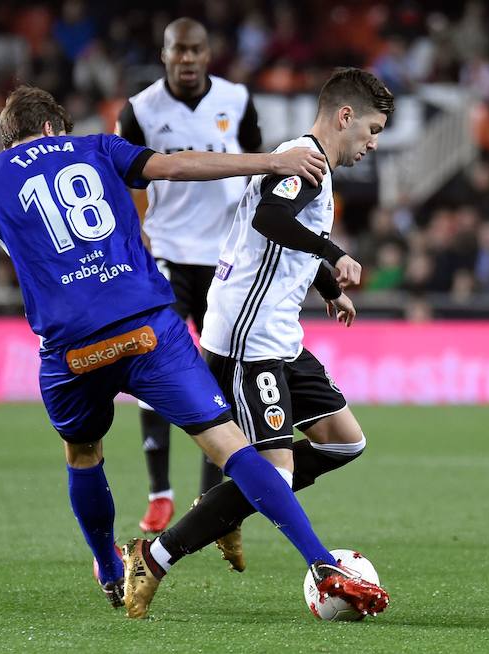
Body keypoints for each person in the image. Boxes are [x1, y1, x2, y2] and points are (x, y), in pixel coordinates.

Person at [0, 84, 387, 620]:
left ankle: (108, 567)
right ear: (55, 126)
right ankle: (321, 563)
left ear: (12, 137)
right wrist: (267, 162)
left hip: (74, 348)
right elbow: (174, 165)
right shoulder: (97, 148)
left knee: (83, 453)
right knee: (231, 449)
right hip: (146, 328)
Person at [122, 68, 395, 616]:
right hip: (249, 341)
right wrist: (336, 253)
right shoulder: (304, 161)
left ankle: (228, 505)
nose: (372, 144)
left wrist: (326, 286)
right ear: (345, 116)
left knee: (344, 442)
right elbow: (271, 218)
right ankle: (153, 556)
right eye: (372, 130)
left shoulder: (308, 162)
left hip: (278, 335)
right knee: (275, 475)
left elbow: (281, 239)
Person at [116, 17, 263, 534]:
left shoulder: (237, 100)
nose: (187, 59)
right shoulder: (139, 110)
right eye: (178, 50)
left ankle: (209, 497)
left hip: (225, 256)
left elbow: (256, 168)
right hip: (168, 252)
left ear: (208, 54)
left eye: (195, 50)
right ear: (164, 54)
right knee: (154, 358)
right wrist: (135, 237)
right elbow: (124, 182)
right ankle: (160, 494)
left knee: (219, 374)